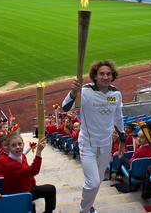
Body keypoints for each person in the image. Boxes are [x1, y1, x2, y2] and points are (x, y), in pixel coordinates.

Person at [62, 60, 125, 213]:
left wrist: (122, 139)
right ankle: (85, 210)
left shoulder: (115, 94)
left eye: (108, 74)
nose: (105, 76)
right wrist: (73, 93)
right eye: (101, 74)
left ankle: (89, 206)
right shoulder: (86, 91)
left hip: (105, 145)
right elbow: (65, 108)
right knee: (93, 182)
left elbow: (118, 117)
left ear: (112, 76)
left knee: (96, 182)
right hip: (87, 145)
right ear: (95, 76)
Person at [1, 133, 56, 213]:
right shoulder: (11, 165)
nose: (18, 147)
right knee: (51, 189)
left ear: (23, 144)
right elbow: (33, 170)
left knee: (49, 189)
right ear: (8, 148)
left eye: (19, 144)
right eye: (13, 145)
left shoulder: (21, 156)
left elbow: (28, 173)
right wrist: (38, 152)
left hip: (26, 187)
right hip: (19, 194)